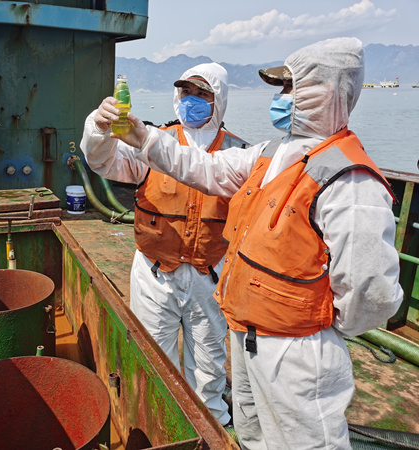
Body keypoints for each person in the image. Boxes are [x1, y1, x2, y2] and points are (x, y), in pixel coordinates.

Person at [106, 37, 404, 449]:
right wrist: (143, 137)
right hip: (245, 334)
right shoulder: (271, 153)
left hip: (295, 351)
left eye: (290, 89)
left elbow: (372, 291)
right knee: (253, 435)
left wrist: (317, 330)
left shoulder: (349, 179)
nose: (281, 99)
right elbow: (202, 168)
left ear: (330, 93)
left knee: (304, 442)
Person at [80, 63, 249, 426]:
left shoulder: (238, 153)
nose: (192, 100)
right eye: (186, 92)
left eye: (202, 94)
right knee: (155, 358)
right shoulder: (149, 141)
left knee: (208, 364)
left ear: (219, 100)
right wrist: (99, 129)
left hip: (210, 277)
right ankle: (159, 426)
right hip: (155, 274)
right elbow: (103, 161)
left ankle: (213, 426)